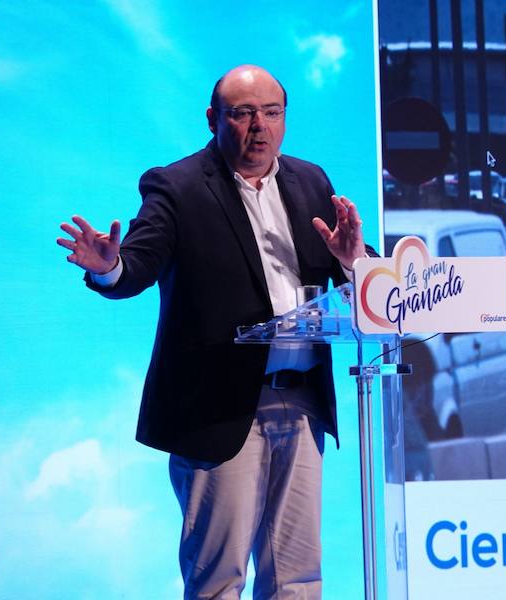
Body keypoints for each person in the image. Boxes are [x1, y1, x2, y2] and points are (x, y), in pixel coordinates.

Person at [56, 64, 373, 599]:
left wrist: (354, 262)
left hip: (300, 405)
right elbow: (136, 266)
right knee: (218, 581)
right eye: (243, 113)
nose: (259, 127)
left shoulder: (311, 180)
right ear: (213, 119)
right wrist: (107, 266)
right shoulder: (176, 186)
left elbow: (347, 271)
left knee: (297, 579)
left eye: (272, 113)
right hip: (219, 410)